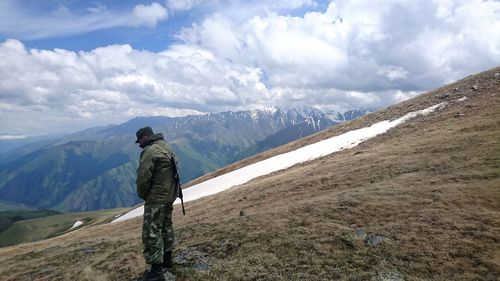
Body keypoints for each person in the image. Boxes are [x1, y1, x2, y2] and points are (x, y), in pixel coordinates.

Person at [135, 126, 180, 281]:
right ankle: (167, 260)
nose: (140, 143)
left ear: (145, 137)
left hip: (156, 198)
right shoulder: (166, 147)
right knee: (166, 226)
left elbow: (143, 178)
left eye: (140, 140)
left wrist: (143, 195)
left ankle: (156, 272)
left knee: (151, 232)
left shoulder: (150, 151)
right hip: (170, 195)